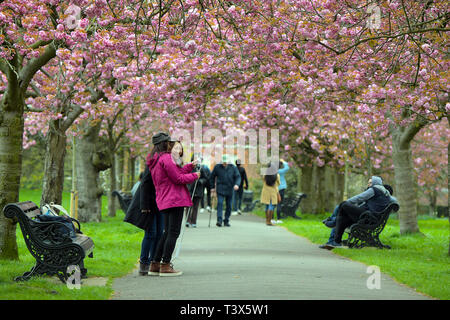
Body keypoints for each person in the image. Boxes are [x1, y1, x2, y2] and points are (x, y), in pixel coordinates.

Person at [147, 133, 200, 276]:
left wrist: (190, 166)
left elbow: (176, 172)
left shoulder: (156, 159)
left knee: (167, 232)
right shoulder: (166, 158)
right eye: (169, 142)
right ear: (165, 143)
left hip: (165, 199)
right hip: (175, 199)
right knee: (173, 233)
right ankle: (165, 265)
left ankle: (155, 264)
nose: (171, 145)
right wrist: (195, 176)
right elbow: (178, 178)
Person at [319, 184, 396, 250]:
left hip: (366, 218)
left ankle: (332, 222)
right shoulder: (377, 198)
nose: (369, 185)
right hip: (365, 217)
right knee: (342, 216)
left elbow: (359, 198)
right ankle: (336, 242)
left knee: (343, 205)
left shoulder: (379, 193)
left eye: (370, 183)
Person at [209, 155, 241, 227]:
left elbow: (238, 177)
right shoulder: (217, 167)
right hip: (220, 188)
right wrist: (212, 187)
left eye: (226, 162)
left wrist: (237, 184)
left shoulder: (233, 168)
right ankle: (219, 220)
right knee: (220, 203)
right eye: (223, 162)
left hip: (230, 189)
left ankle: (226, 220)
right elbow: (212, 177)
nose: (225, 164)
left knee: (229, 205)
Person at [186, 154, 210, 228]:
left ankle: (194, 222)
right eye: (195, 159)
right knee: (188, 206)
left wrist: (201, 181)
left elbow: (206, 179)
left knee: (195, 207)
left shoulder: (201, 169)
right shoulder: (188, 168)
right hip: (189, 190)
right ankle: (187, 221)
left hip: (198, 190)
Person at [260, 162, 281, 226]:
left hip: (265, 192)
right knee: (271, 206)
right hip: (273, 192)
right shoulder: (277, 175)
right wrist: (278, 194)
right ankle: (269, 221)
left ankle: (267, 221)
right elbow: (278, 184)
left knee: (267, 205)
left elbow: (263, 181)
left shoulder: (265, 174)